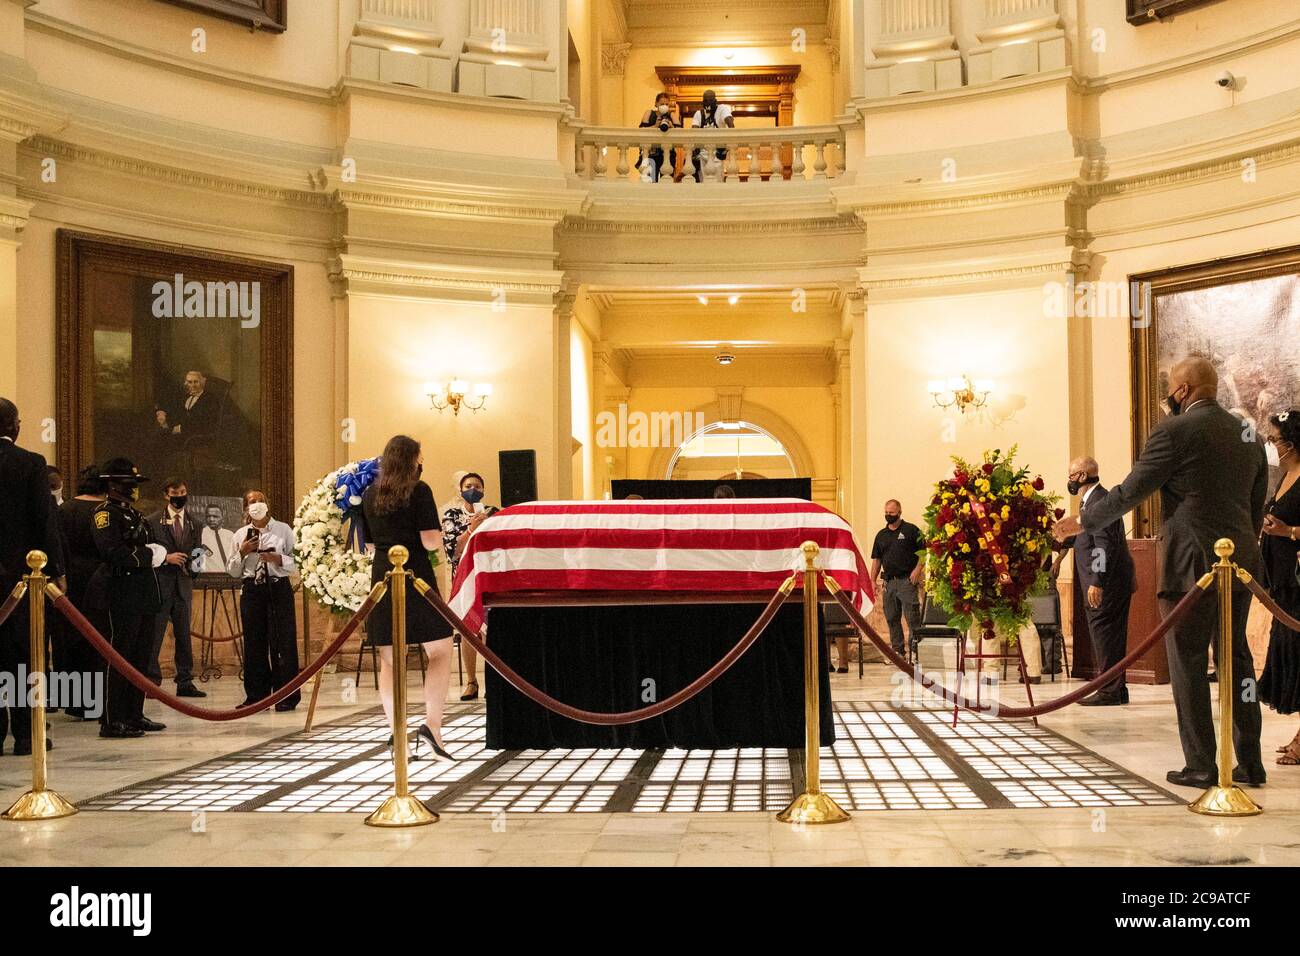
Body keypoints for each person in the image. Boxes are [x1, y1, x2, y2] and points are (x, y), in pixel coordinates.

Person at [1053, 356, 1268, 789]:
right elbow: (1255, 501)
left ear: (1184, 390)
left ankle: (1202, 763)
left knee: (1187, 658)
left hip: (1191, 559)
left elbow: (1133, 490)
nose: (1168, 394)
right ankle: (1250, 761)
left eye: (1170, 386)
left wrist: (1084, 521)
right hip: (1241, 557)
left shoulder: (1173, 430)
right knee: (1236, 657)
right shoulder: (1249, 433)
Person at [360, 436, 455, 760]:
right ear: (412, 460)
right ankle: (432, 727)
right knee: (440, 648)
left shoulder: (369, 494)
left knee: (390, 659)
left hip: (383, 577)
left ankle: (396, 734)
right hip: (416, 576)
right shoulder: (420, 489)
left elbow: (369, 546)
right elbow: (430, 542)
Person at [88, 457, 174, 739]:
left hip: (143, 595)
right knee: (119, 656)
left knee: (139, 657)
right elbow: (114, 553)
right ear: (113, 485)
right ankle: (113, 719)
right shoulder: (105, 514)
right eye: (129, 484)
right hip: (120, 595)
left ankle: (134, 714)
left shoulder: (134, 515)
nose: (134, 489)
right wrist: (152, 555)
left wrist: (152, 553)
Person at [0, 398, 56, 756]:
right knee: (25, 657)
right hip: (21, 580)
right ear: (15, 427)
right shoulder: (31, 464)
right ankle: (25, 734)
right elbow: (43, 522)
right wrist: (53, 572)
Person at [1057, 456, 1137, 705]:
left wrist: (1097, 581)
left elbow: (1104, 546)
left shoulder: (1099, 501)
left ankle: (1109, 691)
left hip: (1107, 584)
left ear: (1082, 476)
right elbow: (1085, 537)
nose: (1069, 479)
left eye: (1071, 475)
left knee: (1106, 636)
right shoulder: (1091, 502)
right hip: (1107, 581)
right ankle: (1116, 688)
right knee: (1108, 636)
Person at [227, 490, 300, 711]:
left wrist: (278, 558)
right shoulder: (240, 534)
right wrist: (242, 551)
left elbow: (298, 560)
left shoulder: (283, 530)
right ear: (246, 508)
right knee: (254, 644)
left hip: (278, 588)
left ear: (267, 504)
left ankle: (285, 696)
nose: (256, 505)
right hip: (252, 590)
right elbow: (232, 571)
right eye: (251, 502)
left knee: (283, 643)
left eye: (259, 501)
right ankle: (256, 696)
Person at [1257, 410, 1300, 766]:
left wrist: (1288, 532)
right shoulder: (1285, 476)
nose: (1273, 446)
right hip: (1283, 583)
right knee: (1289, 652)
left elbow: (1292, 527)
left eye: (1276, 440)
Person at [56, 465, 110, 720]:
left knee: (71, 639)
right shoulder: (105, 511)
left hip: (68, 580)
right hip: (101, 578)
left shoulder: (63, 510)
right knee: (100, 639)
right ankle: (97, 700)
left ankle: (74, 700)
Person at [442, 471, 500, 702]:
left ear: (483, 490)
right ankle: (471, 682)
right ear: (461, 490)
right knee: (468, 630)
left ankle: (492, 682)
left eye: (477, 485)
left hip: (488, 575)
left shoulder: (493, 512)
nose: (472, 489)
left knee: (490, 629)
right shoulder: (452, 515)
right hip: (464, 577)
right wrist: (470, 530)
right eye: (468, 485)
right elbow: (452, 550)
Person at [146, 477, 205, 697]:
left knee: (184, 635)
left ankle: (185, 680)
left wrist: (194, 569)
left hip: (183, 585)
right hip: (161, 584)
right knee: (155, 634)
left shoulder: (194, 523)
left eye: (182, 492)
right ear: (166, 494)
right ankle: (151, 680)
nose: (179, 496)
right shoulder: (152, 521)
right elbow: (148, 551)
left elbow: (198, 550)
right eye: (175, 492)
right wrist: (166, 558)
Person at [870, 499, 924, 657]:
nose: (888, 515)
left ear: (899, 512)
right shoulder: (881, 535)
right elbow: (877, 560)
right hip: (889, 582)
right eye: (886, 513)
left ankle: (916, 652)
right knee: (892, 618)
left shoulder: (911, 530)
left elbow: (923, 552)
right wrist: (873, 580)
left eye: (891, 513)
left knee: (912, 618)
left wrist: (917, 571)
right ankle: (897, 652)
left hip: (907, 580)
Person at [690, 89, 734, 182]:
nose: (708, 103)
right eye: (705, 101)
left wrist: (730, 138)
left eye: (710, 100)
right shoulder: (699, 114)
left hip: (717, 154)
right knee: (703, 183)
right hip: (702, 155)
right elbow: (694, 131)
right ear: (702, 102)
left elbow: (729, 122)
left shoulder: (722, 109)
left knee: (718, 182)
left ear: (715, 101)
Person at [637, 92, 681, 183]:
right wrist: (655, 126)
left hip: (667, 154)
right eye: (661, 104)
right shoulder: (649, 113)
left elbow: (680, 132)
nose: (664, 106)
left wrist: (671, 126)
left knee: (666, 181)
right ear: (656, 103)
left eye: (666, 104)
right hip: (651, 153)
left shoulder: (672, 115)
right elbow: (641, 130)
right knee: (651, 181)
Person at [200, 504, 236, 573]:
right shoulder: (200, 535)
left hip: (229, 577)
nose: (211, 519)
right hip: (208, 577)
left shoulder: (230, 535)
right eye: (208, 516)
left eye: (215, 516)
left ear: (222, 517)